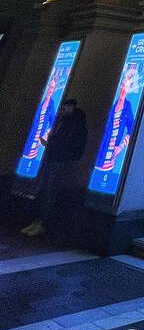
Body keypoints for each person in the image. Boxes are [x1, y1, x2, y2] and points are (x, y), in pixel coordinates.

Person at [21, 96, 88, 237]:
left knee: (50, 190)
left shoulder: (72, 123)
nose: (62, 110)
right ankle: (39, 221)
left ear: (71, 108)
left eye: (65, 108)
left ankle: (42, 222)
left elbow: (66, 142)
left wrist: (50, 143)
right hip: (54, 158)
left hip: (59, 159)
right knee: (46, 189)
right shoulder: (66, 122)